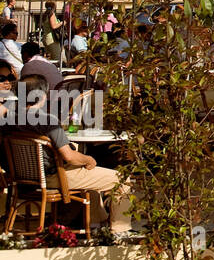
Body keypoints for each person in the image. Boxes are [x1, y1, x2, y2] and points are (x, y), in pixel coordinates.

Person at [13, 73, 133, 231]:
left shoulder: (10, 120)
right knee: (121, 180)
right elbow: (70, 157)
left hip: (24, 178)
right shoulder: (47, 121)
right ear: (42, 96)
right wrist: (88, 160)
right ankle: (121, 231)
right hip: (53, 177)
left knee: (93, 176)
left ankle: (95, 223)